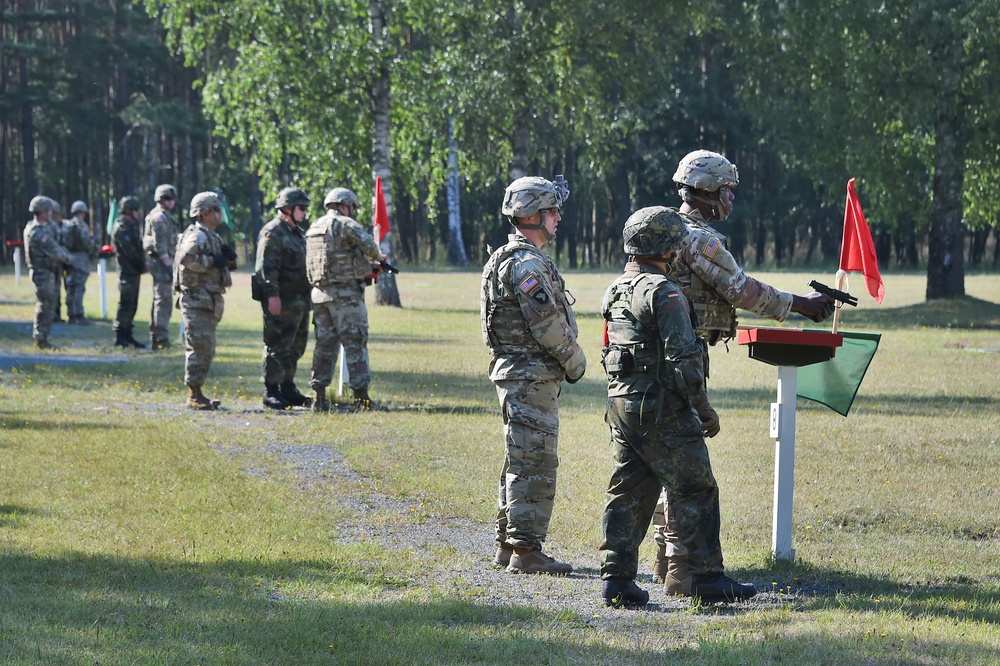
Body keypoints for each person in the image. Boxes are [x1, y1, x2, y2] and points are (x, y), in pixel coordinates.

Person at [650, 150, 836, 590]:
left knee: (664, 460)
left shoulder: (671, 230)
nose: (732, 198)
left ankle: (665, 558)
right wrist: (800, 305)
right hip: (682, 358)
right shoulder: (698, 238)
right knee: (686, 464)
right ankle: (684, 567)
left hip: (661, 357)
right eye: (727, 190)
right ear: (708, 192)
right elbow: (740, 288)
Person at [599, 206, 758, 607]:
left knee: (628, 489)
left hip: (623, 405)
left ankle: (617, 579)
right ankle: (707, 578)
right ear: (668, 247)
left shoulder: (616, 288)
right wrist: (704, 410)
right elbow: (684, 359)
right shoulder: (665, 293)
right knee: (696, 487)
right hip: (662, 407)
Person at [481, 175, 586, 575]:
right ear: (534, 215)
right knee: (535, 462)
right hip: (530, 374)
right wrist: (576, 362)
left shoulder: (505, 257)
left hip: (519, 374)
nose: (558, 218)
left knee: (519, 457)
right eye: (552, 211)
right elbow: (546, 325)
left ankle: (508, 545)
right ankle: (526, 551)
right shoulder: (525, 263)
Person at [306, 187, 388, 413]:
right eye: (350, 207)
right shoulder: (345, 224)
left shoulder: (314, 227)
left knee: (324, 346)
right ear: (344, 205)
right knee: (355, 342)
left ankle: (319, 396)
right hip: (345, 296)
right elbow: (370, 245)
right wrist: (379, 259)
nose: (351, 211)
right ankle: (361, 398)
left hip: (320, 294)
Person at [174, 191, 237, 410]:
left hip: (207, 299)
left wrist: (228, 259)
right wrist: (212, 261)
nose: (220, 213)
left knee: (206, 347)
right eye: (217, 209)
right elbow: (187, 259)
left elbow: (221, 264)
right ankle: (194, 394)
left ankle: (197, 392)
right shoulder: (197, 235)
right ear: (205, 213)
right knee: (199, 347)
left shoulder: (211, 235)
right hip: (197, 299)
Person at [254, 187, 313, 410]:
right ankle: (271, 390)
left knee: (296, 346)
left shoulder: (296, 232)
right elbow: (266, 269)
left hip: (299, 299)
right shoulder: (273, 233)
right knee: (277, 344)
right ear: (287, 209)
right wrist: (272, 295)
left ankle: (287, 387)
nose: (305, 212)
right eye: (301, 208)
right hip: (282, 298)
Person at [24, 196, 71, 350]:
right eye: (49, 210)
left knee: (50, 307)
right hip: (43, 274)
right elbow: (54, 250)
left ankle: (43, 338)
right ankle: (40, 339)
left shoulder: (45, 227)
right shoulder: (36, 232)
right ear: (43, 212)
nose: (51, 213)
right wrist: (67, 258)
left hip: (50, 272)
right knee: (45, 306)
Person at [144, 184, 183, 349]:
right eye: (167, 198)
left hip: (164, 262)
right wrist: (169, 266)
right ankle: (161, 339)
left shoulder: (164, 216)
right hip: (162, 263)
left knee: (161, 300)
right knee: (163, 301)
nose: (171, 202)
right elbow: (161, 246)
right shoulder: (159, 218)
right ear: (160, 199)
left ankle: (157, 337)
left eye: (173, 199)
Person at [111, 195, 147, 349]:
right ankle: (120, 336)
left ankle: (128, 335)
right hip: (127, 271)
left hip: (134, 271)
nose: (138, 213)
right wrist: (141, 264)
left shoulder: (132, 225)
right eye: (135, 210)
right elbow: (130, 251)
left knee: (133, 304)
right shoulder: (121, 228)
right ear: (129, 211)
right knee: (126, 304)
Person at [61, 200, 99, 325]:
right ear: (83, 212)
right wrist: (94, 247)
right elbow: (86, 242)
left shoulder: (67, 225)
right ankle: (79, 314)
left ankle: (71, 314)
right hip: (81, 260)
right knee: (79, 288)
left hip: (69, 259)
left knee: (70, 288)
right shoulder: (82, 226)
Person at [50, 200, 67, 323]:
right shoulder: (49, 227)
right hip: (51, 263)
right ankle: (53, 315)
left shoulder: (60, 226)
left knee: (57, 289)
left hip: (59, 262)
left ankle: (57, 314)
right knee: (51, 291)